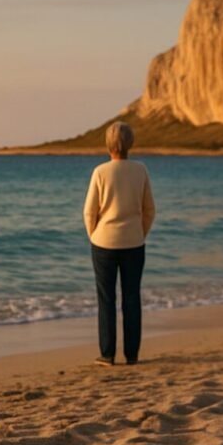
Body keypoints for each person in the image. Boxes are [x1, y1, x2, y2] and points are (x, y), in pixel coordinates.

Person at [83, 121, 155, 366]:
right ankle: (132, 354)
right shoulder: (140, 170)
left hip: (104, 242)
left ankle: (107, 354)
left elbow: (89, 212)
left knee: (106, 299)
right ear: (130, 143)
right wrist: (139, 233)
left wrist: (94, 236)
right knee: (131, 298)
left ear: (108, 144)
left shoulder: (100, 172)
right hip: (134, 241)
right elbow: (149, 210)